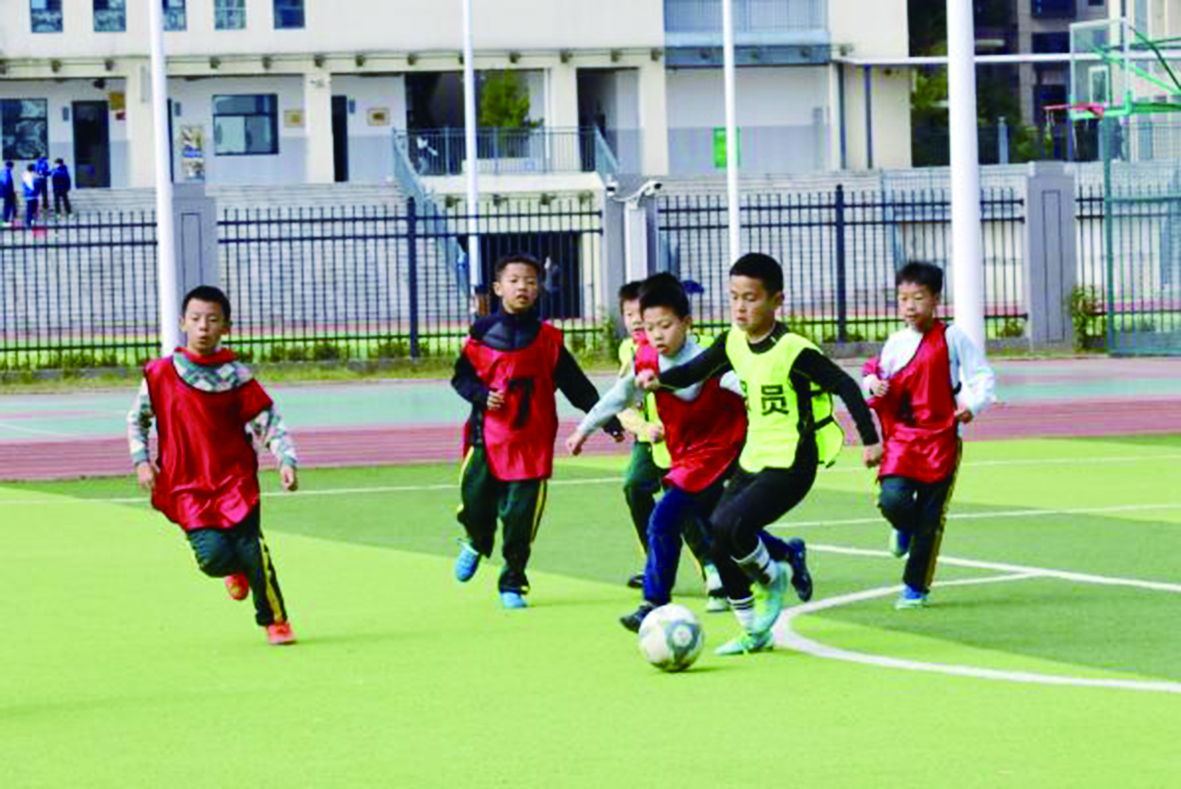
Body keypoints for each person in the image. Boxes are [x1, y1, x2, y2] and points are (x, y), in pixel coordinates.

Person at [638, 253, 882, 656]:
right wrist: (658, 381)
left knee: (729, 523)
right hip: (754, 457)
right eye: (734, 297)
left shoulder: (792, 349)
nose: (740, 307)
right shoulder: (733, 341)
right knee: (716, 537)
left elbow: (845, 385)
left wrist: (870, 439)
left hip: (792, 462)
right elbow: (695, 371)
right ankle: (754, 631)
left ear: (776, 300)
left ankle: (773, 575)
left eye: (750, 298)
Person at [569, 274, 802, 631]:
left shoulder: (710, 359)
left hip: (721, 452)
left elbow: (748, 387)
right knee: (717, 523)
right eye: (649, 328)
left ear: (687, 323)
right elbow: (618, 397)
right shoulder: (647, 360)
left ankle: (654, 601)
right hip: (688, 456)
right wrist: (582, 431)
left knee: (663, 520)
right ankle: (787, 552)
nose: (657, 335)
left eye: (665, 326)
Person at [451, 252, 625, 609]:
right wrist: (481, 395)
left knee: (520, 519)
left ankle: (512, 582)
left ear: (539, 288)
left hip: (532, 445)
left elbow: (578, 387)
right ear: (498, 288)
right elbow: (461, 378)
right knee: (475, 504)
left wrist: (607, 419)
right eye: (514, 280)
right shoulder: (481, 334)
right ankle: (476, 540)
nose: (523, 287)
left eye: (530, 281)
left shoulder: (549, 340)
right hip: (486, 439)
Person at [127, 285, 299, 646]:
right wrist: (141, 461)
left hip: (235, 480)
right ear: (183, 323)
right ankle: (233, 569)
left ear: (226, 327)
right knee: (213, 558)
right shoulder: (160, 374)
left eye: (212, 320)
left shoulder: (237, 376)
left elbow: (267, 420)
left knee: (253, 549)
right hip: (186, 484)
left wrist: (285, 459)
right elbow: (137, 420)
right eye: (195, 319)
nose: (203, 327)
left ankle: (275, 620)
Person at [862, 261, 995, 609]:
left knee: (931, 518)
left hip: (942, 440)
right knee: (893, 499)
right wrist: (872, 384)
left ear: (935, 299)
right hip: (903, 440)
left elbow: (982, 376)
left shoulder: (952, 338)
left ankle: (915, 587)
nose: (910, 306)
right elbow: (873, 376)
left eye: (918, 298)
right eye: (903, 298)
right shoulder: (895, 343)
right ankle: (902, 527)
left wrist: (973, 405)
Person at [614, 280, 724, 611]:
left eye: (641, 314)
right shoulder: (630, 351)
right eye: (628, 314)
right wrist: (644, 427)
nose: (635, 321)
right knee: (634, 485)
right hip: (652, 440)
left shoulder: (701, 349)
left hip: (691, 442)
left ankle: (712, 569)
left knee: (684, 504)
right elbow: (622, 404)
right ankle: (657, 565)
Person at [0, 160, 16, 225]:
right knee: (7, 206)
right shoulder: (5, 173)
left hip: (8, 192)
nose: (11, 169)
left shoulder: (4, 172)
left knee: (9, 206)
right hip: (6, 192)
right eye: (11, 167)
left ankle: (7, 219)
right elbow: (5, 183)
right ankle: (5, 220)